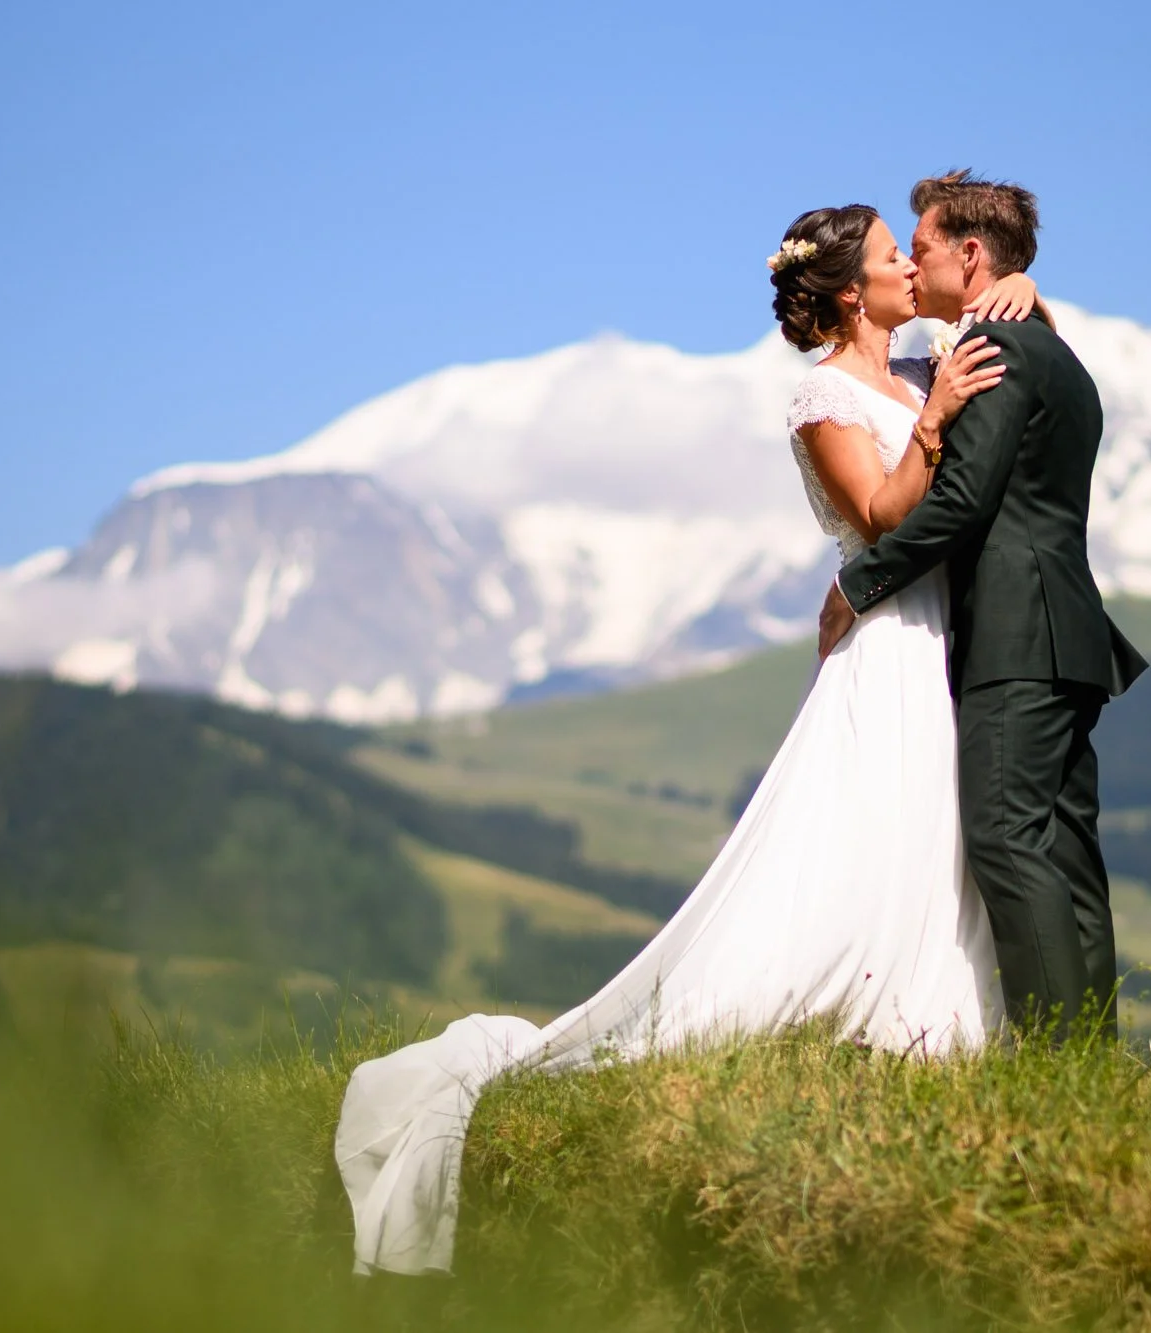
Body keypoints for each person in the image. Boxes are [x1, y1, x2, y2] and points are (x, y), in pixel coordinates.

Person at [334, 195, 1046, 1276]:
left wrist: (1021, 295)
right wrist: (937, 418)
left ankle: (931, 1026)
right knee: (872, 829)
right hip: (887, 643)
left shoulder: (918, 369)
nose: (912, 270)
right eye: (894, 258)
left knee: (936, 830)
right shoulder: (825, 397)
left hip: (946, 642)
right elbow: (880, 520)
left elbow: (1007, 339)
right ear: (851, 291)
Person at [818, 170, 1150, 1037]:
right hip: (1072, 636)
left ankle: (1053, 1064)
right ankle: (1090, 1068)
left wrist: (858, 585)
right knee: (1069, 854)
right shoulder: (1055, 353)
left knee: (1006, 839)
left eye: (920, 249)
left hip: (1015, 637)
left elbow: (962, 502)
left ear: (970, 256)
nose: (911, 264)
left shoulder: (993, 351)